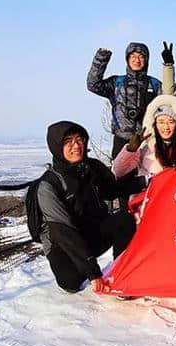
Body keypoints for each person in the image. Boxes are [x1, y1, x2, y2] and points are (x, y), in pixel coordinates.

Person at [37, 121, 145, 293]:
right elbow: (63, 231)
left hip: (91, 232)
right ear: (56, 146)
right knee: (71, 283)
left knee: (123, 219)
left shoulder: (92, 167)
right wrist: (93, 272)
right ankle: (81, 267)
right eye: (68, 142)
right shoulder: (48, 185)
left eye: (79, 139)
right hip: (63, 244)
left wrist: (144, 181)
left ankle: (123, 271)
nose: (76, 146)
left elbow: (112, 190)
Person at [87, 42, 162, 159]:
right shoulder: (117, 82)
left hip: (147, 139)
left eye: (141, 57)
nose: (137, 60)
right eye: (133, 56)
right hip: (121, 140)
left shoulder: (155, 84)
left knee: (148, 174)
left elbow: (165, 108)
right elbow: (93, 85)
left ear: (146, 60)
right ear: (127, 59)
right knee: (120, 174)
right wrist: (101, 58)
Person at [112, 94, 176, 178]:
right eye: (161, 122)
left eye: (171, 122)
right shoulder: (146, 147)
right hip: (150, 189)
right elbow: (118, 172)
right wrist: (130, 150)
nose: (166, 127)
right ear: (154, 124)